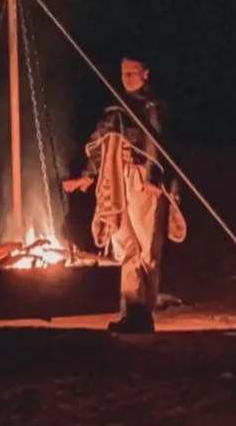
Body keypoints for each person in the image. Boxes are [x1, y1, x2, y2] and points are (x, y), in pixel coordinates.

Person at [63, 57, 187, 334]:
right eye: (123, 74)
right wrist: (88, 176)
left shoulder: (153, 107)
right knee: (123, 242)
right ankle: (130, 310)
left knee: (146, 246)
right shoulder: (116, 108)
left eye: (132, 72)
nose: (127, 78)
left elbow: (159, 142)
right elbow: (102, 142)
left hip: (144, 180)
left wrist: (154, 176)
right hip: (118, 178)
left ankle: (144, 312)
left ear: (145, 73)